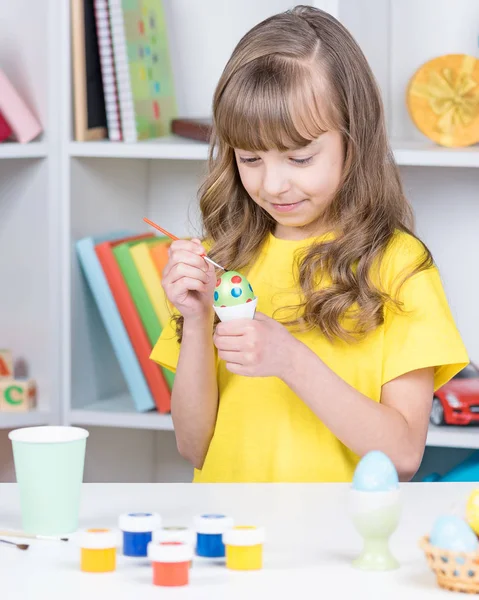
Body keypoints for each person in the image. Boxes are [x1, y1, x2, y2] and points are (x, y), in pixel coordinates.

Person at [150, 5, 468, 483]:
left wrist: (291, 360)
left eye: (299, 158)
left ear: (353, 140)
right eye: (250, 157)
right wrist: (195, 321)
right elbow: (193, 447)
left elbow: (403, 455)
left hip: (339, 545)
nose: (273, 184)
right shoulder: (225, 258)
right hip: (231, 542)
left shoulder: (399, 267)